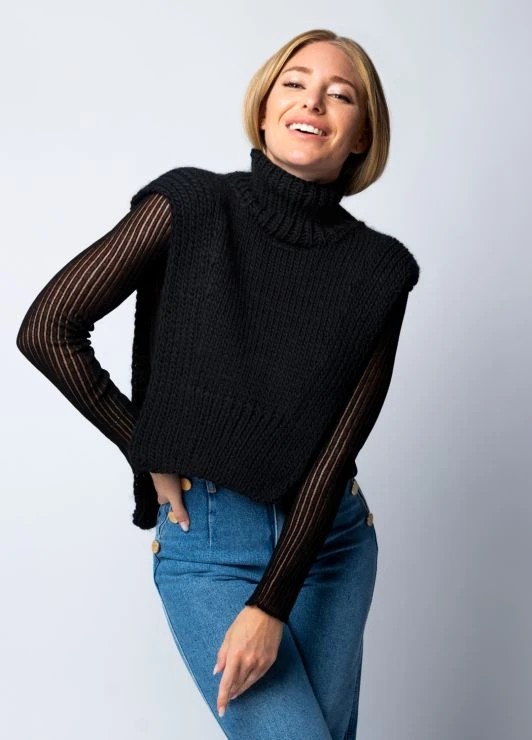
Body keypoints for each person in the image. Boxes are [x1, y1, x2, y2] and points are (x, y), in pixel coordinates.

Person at [16, 27, 420, 740]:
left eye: (340, 95)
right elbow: (48, 328)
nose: (312, 103)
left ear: (362, 134)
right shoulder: (192, 205)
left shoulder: (381, 269)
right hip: (209, 544)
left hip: (329, 544)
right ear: (264, 109)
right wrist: (145, 444)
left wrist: (270, 604)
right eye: (294, 84)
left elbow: (335, 452)